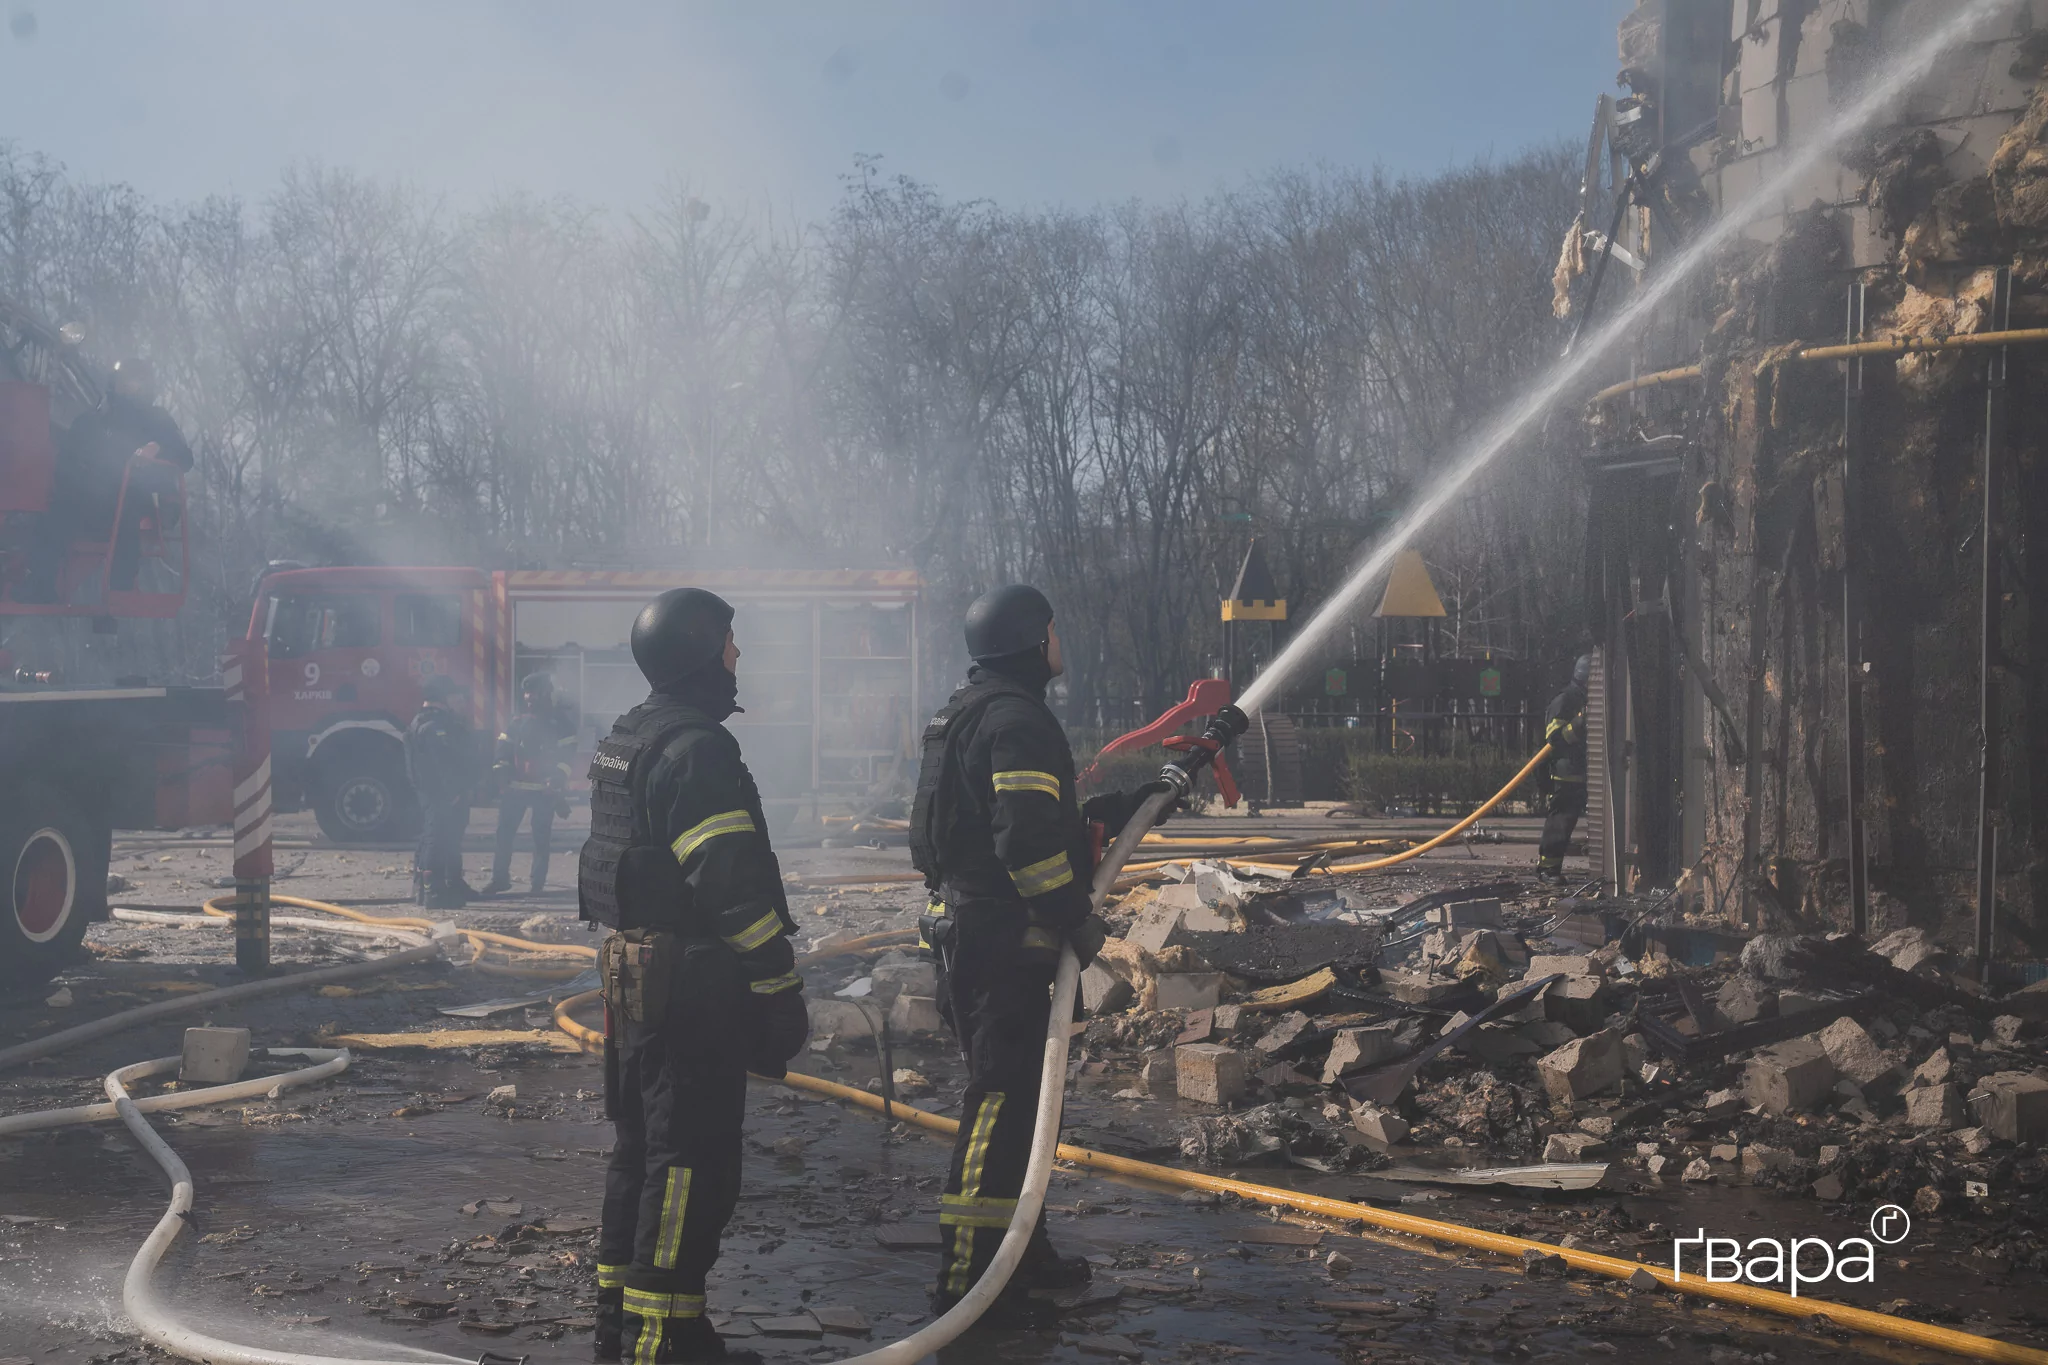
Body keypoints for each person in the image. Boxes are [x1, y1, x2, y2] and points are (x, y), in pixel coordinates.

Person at [909, 584, 1169, 1326]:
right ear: (1034, 639)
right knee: (1000, 1099)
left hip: (975, 930)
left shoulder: (969, 711)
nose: (1061, 640)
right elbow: (1024, 847)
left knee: (1025, 1103)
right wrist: (1076, 920)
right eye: (1054, 629)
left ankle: (1021, 1251)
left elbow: (1004, 821)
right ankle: (968, 1276)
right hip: (1004, 941)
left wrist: (1102, 815)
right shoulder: (1018, 719)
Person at [581, 588, 809, 1363]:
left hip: (639, 973)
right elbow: (732, 885)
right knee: (690, 1163)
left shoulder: (632, 735)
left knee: (640, 1150)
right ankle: (663, 1337)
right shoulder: (698, 748)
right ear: (700, 650)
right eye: (729, 644)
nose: (737, 657)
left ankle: (623, 1326)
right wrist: (778, 986)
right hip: (694, 984)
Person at [20, 357, 195, 600]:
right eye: (124, 380)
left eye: (135, 381)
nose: (129, 386)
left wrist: (157, 448)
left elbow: (184, 457)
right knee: (56, 513)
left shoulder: (157, 421)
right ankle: (40, 583)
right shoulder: (92, 421)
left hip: (135, 496)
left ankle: (121, 582)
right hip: (90, 500)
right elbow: (66, 461)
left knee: (126, 502)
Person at [485, 673, 577, 895]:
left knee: (540, 838)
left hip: (545, 791)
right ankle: (499, 879)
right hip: (515, 790)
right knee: (504, 835)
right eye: (526, 695)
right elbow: (503, 749)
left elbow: (567, 756)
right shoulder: (517, 721)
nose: (529, 699)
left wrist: (557, 777)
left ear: (545, 694)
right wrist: (501, 772)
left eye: (533, 695)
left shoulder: (560, 723)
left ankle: (537, 884)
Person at [405, 674, 477, 909]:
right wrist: (453, 790)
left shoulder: (421, 721)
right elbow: (442, 763)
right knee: (436, 838)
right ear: (442, 697)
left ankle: (432, 887)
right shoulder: (435, 726)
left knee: (434, 836)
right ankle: (433, 892)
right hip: (439, 793)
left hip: (429, 791)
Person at [1536, 654, 1592, 884]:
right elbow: (1554, 739)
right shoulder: (1565, 699)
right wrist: (1581, 722)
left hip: (1584, 772)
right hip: (1566, 773)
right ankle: (1547, 870)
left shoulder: (1584, 698)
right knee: (1560, 823)